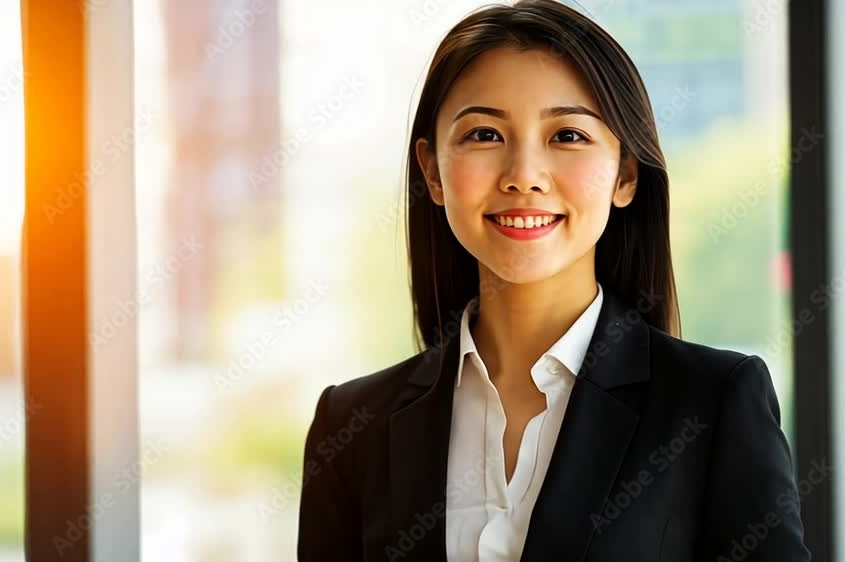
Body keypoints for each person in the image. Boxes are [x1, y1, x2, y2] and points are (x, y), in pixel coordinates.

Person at [296, 1, 810, 560]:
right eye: (485, 134)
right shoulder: (351, 426)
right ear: (432, 171)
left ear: (626, 174)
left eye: (566, 136)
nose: (523, 177)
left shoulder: (712, 404)